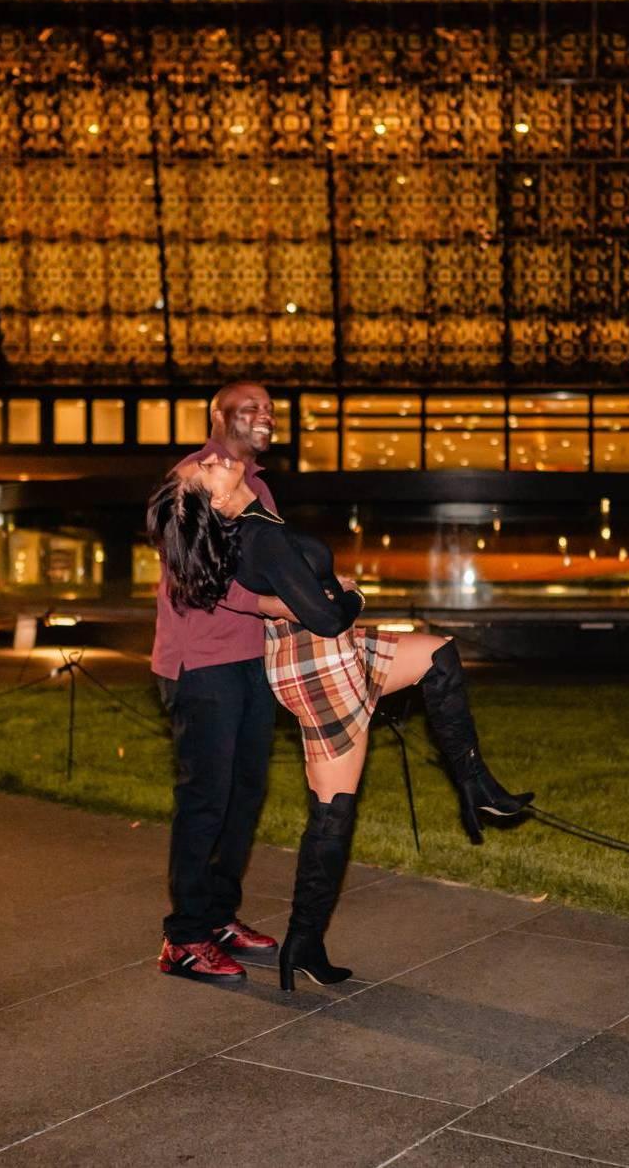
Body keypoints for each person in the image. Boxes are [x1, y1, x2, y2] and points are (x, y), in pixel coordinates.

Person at [146, 453, 534, 990]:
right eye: (205, 470)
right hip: (320, 669)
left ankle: (476, 786)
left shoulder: (258, 517)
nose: (210, 458)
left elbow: (286, 593)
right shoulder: (258, 536)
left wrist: (316, 585)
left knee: (439, 655)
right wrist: (349, 594)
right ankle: (297, 943)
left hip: (336, 652)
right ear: (215, 500)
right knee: (332, 809)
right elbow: (326, 617)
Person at [152, 381, 294, 984]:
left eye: (267, 408)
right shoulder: (194, 476)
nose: (263, 415)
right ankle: (183, 938)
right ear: (218, 417)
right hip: (201, 663)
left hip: (249, 662)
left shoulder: (257, 486)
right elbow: (196, 578)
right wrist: (273, 605)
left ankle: (218, 916)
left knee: (245, 795)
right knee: (206, 799)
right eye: (248, 408)